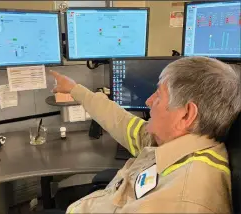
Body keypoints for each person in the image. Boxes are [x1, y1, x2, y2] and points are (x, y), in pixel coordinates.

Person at [51, 56, 241, 213]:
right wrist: (75, 89)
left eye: (158, 96)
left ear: (186, 114)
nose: (149, 101)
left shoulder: (180, 201)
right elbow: (121, 122)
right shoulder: (178, 143)